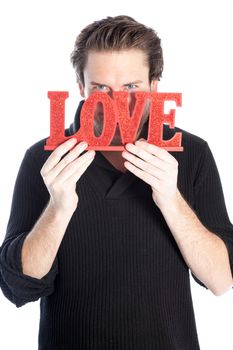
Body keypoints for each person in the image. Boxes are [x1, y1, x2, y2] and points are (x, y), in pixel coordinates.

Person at [0, 15, 233, 350]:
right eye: (100, 88)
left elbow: (221, 280)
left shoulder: (192, 153)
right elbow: (19, 288)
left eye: (131, 88)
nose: (115, 103)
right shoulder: (44, 158)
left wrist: (170, 198)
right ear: (81, 87)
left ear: (154, 87)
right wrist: (59, 207)